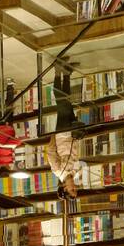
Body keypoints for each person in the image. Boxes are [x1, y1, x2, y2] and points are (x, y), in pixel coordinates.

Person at [45, 65, 85, 198]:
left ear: (64, 188)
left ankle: (58, 73)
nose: (75, 187)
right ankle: (66, 74)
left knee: (62, 104)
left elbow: (50, 151)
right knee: (67, 103)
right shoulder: (77, 172)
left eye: (72, 190)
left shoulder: (57, 170)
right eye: (76, 190)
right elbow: (76, 154)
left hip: (62, 133)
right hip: (74, 134)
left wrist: (53, 136)